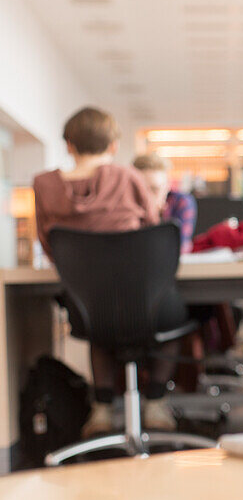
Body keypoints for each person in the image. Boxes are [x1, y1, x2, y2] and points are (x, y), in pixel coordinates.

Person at [32, 107, 178, 436]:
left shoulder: (43, 185)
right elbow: (154, 234)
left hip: (87, 308)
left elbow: (48, 244)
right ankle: (155, 402)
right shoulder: (129, 177)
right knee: (170, 314)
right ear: (113, 146)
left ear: (69, 145)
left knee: (99, 319)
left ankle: (101, 409)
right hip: (145, 301)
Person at [133, 153, 198, 252]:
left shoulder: (181, 202)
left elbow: (179, 248)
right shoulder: (126, 206)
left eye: (154, 190)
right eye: (142, 190)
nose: (147, 197)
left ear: (167, 188)